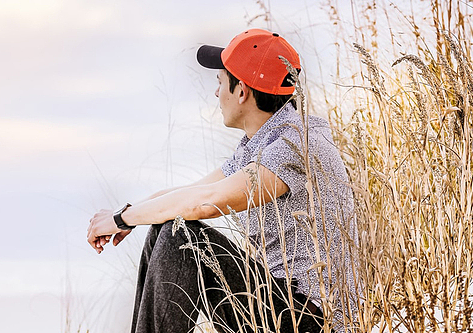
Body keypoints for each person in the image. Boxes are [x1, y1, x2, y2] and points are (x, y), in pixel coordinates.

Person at [87, 28, 355, 333]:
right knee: (166, 227)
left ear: (241, 91)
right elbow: (192, 192)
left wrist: (123, 218)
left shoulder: (296, 146)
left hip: (312, 319)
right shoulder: (262, 142)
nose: (216, 93)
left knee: (180, 236)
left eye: (220, 83)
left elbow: (204, 204)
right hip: (282, 307)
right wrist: (128, 216)